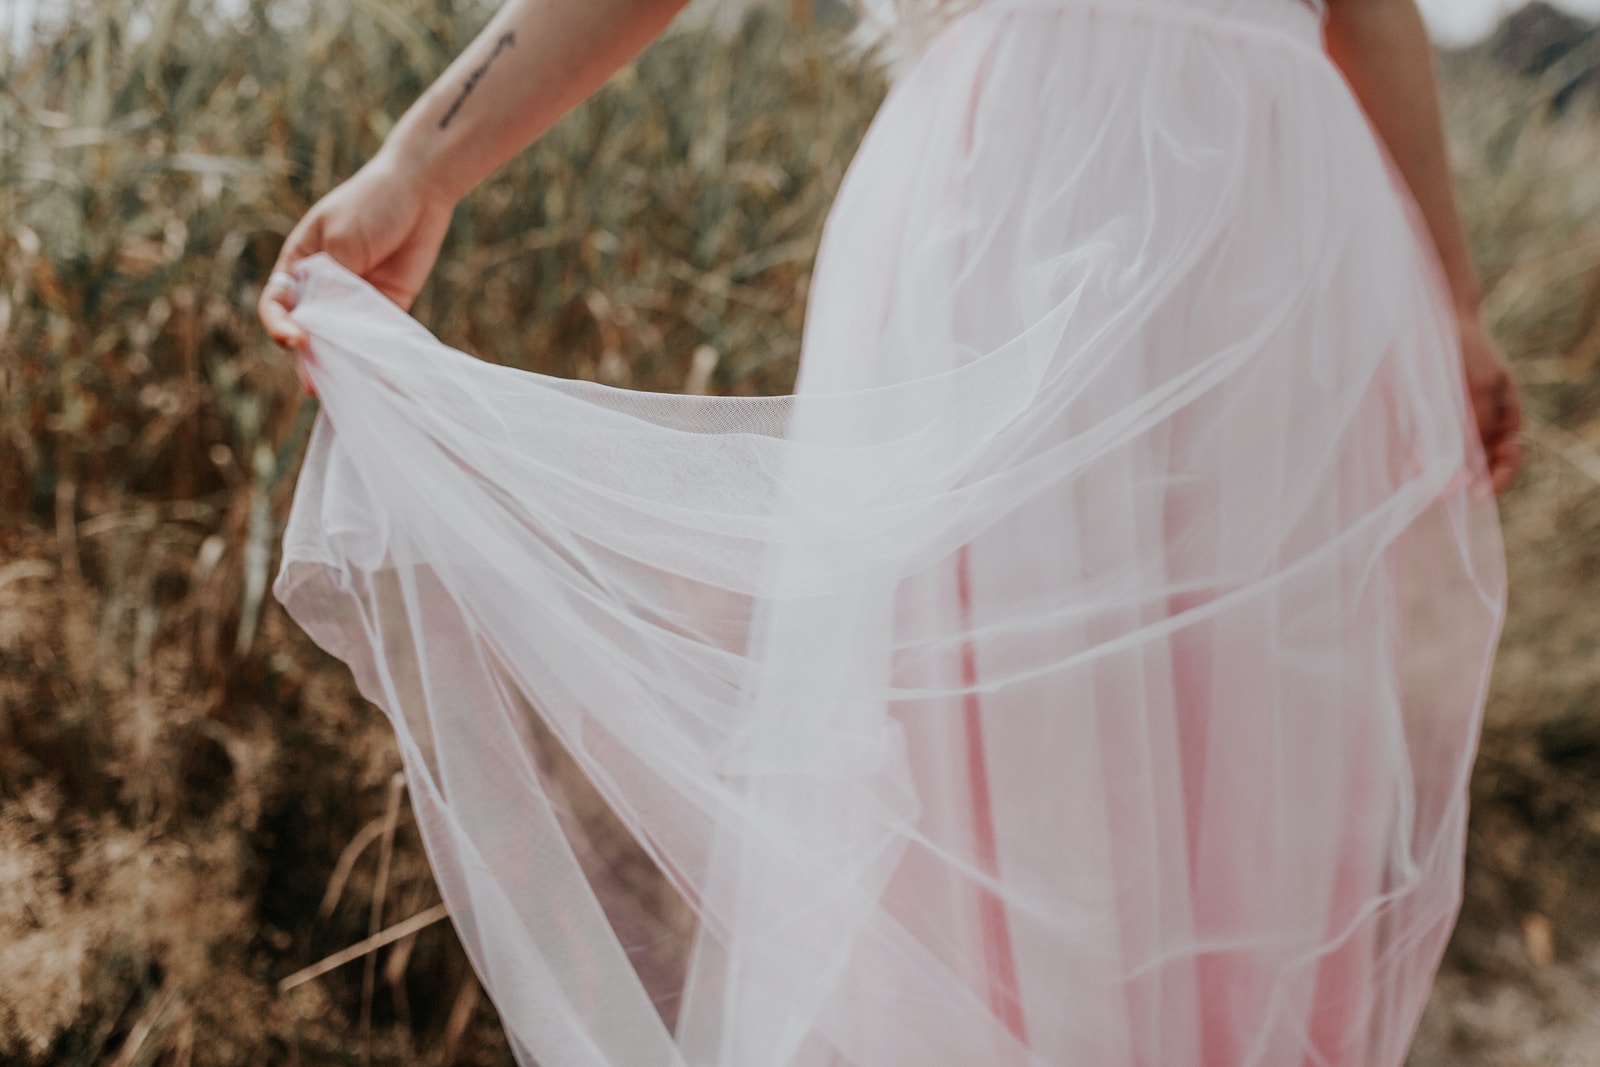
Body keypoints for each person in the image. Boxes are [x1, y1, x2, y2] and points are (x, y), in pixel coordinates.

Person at [260, 0, 1520, 1064]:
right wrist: (416, 163)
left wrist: (1451, 301)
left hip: (1284, 249)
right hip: (1023, 203)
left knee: (1263, 777)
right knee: (995, 776)